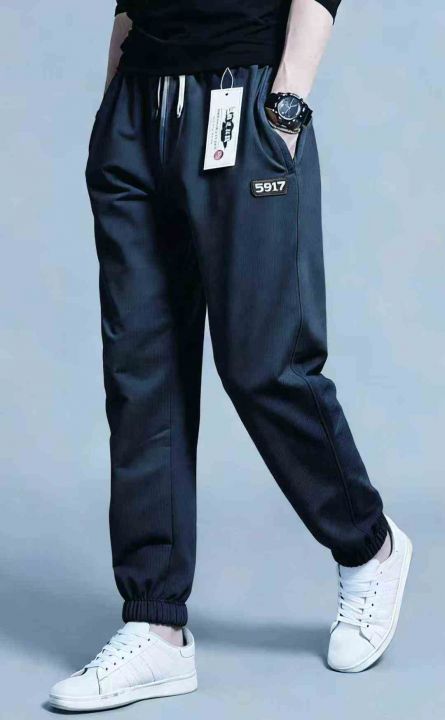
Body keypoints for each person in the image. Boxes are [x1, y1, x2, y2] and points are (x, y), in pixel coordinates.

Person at [49, 0, 412, 711]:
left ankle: (368, 544)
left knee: (263, 365)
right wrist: (111, 101)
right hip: (136, 105)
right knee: (141, 374)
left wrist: (286, 105)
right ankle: (155, 625)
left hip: (241, 95)